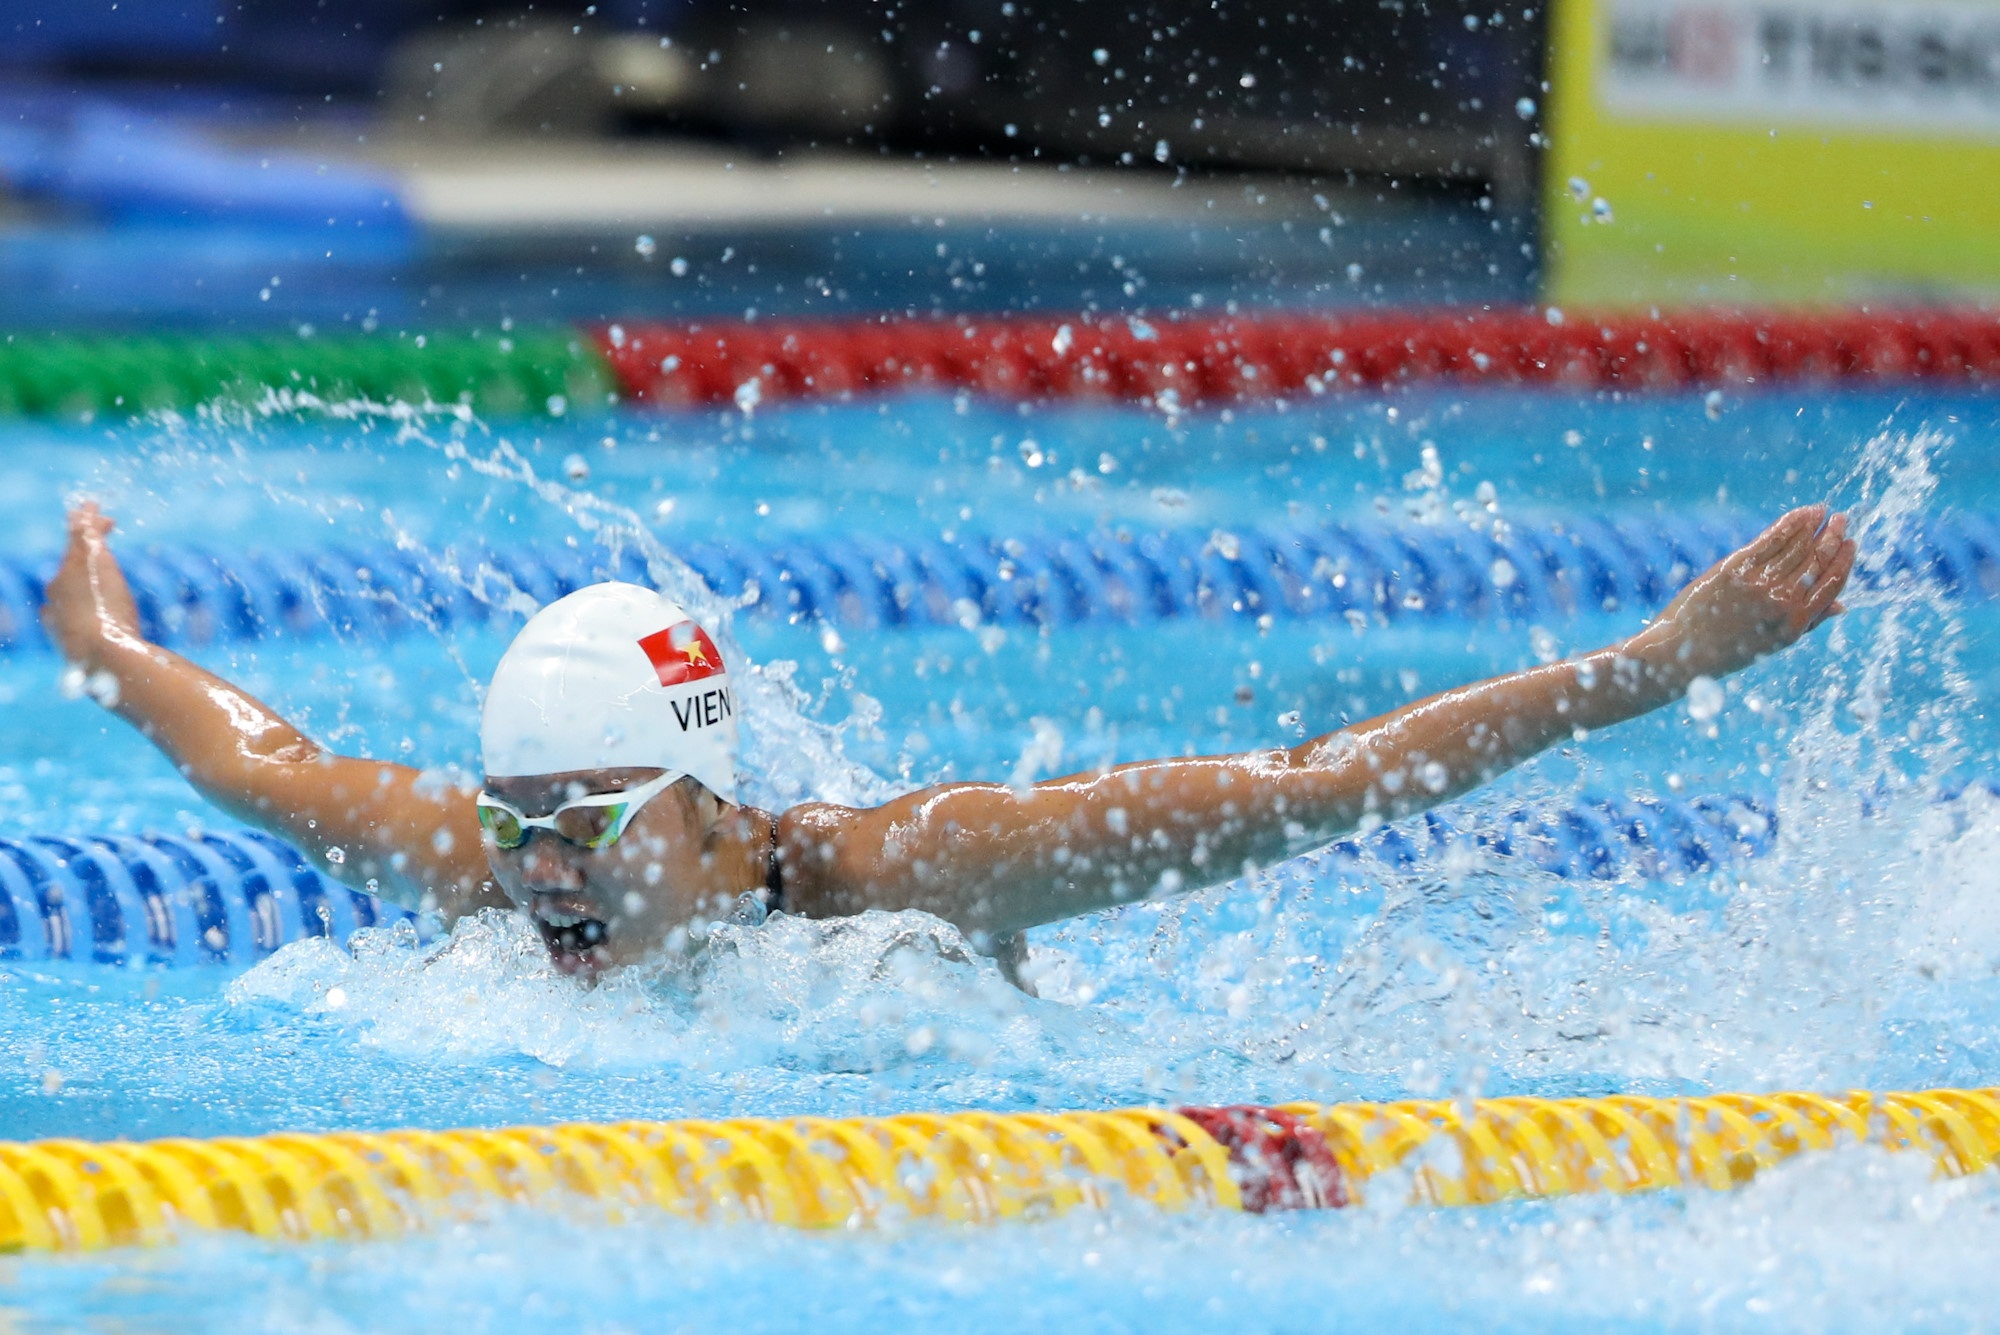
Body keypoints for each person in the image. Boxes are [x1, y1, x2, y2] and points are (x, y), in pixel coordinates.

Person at [41, 500, 1854, 983]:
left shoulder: (908, 877)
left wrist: (1640, 672)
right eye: (523, 819)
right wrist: (111, 648)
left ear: (709, 805)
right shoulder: (498, 871)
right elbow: (261, 764)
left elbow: (1310, 787)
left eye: (587, 816)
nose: (546, 869)